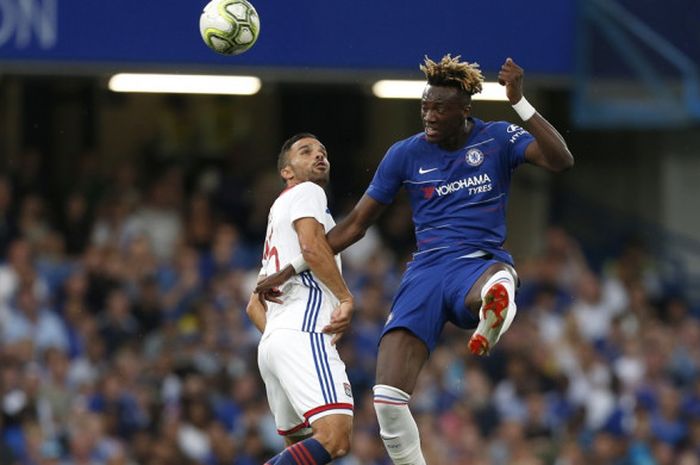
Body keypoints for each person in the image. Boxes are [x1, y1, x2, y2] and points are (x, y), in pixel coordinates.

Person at [256, 55, 574, 465]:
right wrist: (294, 266)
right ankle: (498, 300)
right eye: (425, 106)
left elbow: (560, 159)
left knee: (493, 281)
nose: (429, 115)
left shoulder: (497, 138)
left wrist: (519, 102)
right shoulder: (405, 154)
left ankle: (497, 299)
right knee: (387, 401)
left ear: (465, 110)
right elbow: (356, 224)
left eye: (440, 107)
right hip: (424, 272)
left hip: (476, 260)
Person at [245, 133, 355, 465]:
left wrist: (282, 341)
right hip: (303, 331)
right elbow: (311, 246)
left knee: (307, 448)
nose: (319, 156)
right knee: (335, 436)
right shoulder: (308, 192)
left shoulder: (278, 214)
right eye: (306, 152)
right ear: (287, 171)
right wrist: (345, 297)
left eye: (323, 152)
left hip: (274, 341)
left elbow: (253, 305)